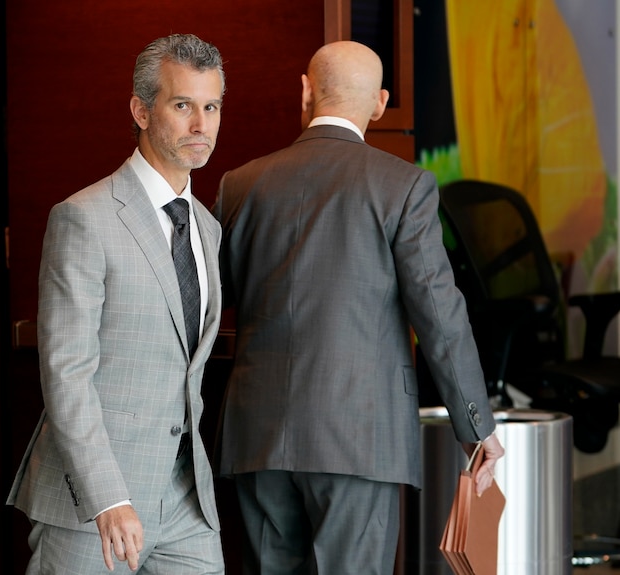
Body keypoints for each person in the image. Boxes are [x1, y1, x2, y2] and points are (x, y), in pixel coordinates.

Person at [213, 40, 505, 575]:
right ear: (380, 103)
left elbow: (211, 308)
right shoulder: (403, 186)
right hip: (358, 437)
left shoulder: (240, 184)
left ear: (305, 91)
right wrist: (476, 425)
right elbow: (439, 315)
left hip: (255, 438)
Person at [7, 33, 227, 574]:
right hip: (95, 501)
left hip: (185, 497)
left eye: (212, 106)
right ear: (141, 110)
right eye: (182, 106)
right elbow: (66, 372)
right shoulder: (84, 218)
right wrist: (108, 496)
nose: (201, 125)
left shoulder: (207, 226)